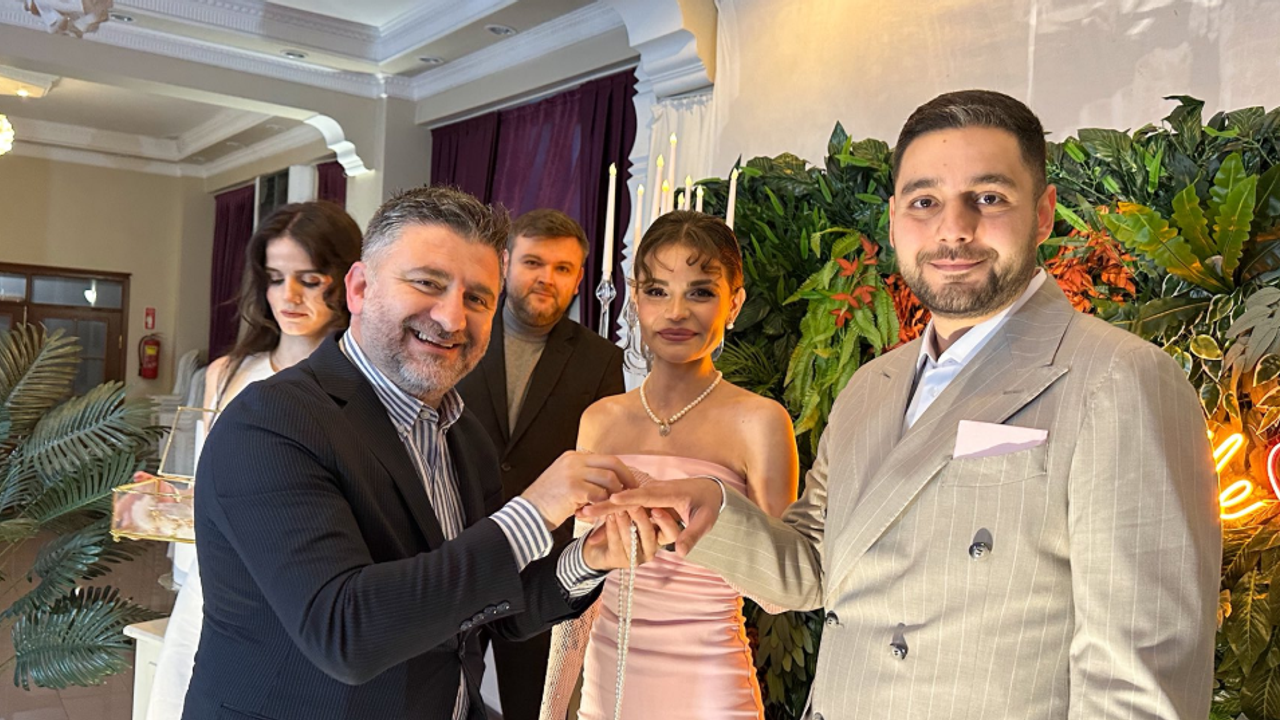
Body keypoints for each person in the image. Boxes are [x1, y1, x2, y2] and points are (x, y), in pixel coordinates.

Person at [589, 90, 1221, 720]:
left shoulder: (1120, 379)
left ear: (1044, 213)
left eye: (989, 197)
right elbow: (814, 566)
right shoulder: (871, 388)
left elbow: (1139, 686)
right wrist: (709, 509)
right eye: (925, 202)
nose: (954, 228)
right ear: (894, 219)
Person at [183, 186, 663, 720]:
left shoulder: (464, 435)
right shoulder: (269, 422)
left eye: (477, 299)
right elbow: (346, 632)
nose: (453, 318)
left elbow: (487, 606)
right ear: (360, 288)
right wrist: (533, 511)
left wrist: (588, 557)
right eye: (428, 283)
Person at [541, 210, 800, 720]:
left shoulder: (760, 421)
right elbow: (583, 581)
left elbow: (779, 591)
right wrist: (552, 708)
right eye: (658, 291)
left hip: (709, 686)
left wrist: (696, 519)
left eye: (700, 292)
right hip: (608, 684)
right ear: (635, 298)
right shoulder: (601, 420)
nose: (676, 312)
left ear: (734, 303)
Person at [147, 200, 363, 720]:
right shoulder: (227, 374)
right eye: (274, 278)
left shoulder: (361, 383)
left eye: (310, 279)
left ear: (347, 280)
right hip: (217, 589)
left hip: (309, 594)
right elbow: (209, 491)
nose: (288, 296)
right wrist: (165, 502)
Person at [455, 208, 625, 720]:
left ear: (579, 277)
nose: (546, 278)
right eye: (534, 262)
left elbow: (600, 465)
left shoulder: (602, 360)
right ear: (506, 262)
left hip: (543, 570)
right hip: (457, 552)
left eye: (562, 268)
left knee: (534, 708)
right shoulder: (458, 335)